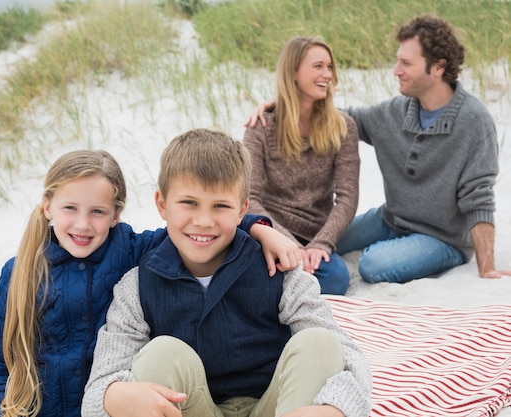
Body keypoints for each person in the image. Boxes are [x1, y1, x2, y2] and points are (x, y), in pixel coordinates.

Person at [0, 150, 302, 417]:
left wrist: (260, 228)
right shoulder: (21, 270)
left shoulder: (131, 248)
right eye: (69, 208)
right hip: (44, 409)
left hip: (116, 405)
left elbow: (193, 228)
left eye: (97, 211)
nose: (82, 224)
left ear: (115, 214)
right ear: (48, 206)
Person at [81, 129, 372, 417]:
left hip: (276, 406)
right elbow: (97, 391)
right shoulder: (138, 286)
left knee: (320, 342)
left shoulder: (277, 269)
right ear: (162, 204)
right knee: (161, 354)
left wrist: (334, 408)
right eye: (189, 203)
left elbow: (350, 359)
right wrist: (112, 395)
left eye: (220, 206)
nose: (204, 221)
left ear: (242, 210)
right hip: (194, 408)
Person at [246, 15, 511, 283]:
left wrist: (486, 267)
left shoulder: (474, 122)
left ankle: (450, 255)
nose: (396, 70)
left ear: (438, 67)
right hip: (390, 220)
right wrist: (282, 104)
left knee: (373, 265)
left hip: (442, 236)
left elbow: (479, 199)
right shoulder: (394, 112)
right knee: (322, 238)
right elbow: (331, 117)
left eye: (406, 63)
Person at [243, 36, 359, 295]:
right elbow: (249, 197)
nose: (327, 74)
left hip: (316, 236)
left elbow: (348, 197)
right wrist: (286, 244)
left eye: (330, 67)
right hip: (270, 231)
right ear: (293, 72)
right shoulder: (262, 126)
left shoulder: (343, 127)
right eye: (318, 66)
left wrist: (321, 244)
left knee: (336, 278)